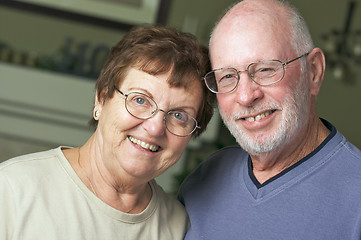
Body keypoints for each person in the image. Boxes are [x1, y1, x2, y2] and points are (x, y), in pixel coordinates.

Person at [0, 25, 215, 239]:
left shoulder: (179, 227)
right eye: (140, 100)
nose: (155, 127)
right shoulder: (12, 190)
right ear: (101, 99)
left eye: (179, 116)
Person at [178, 0, 361, 239]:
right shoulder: (205, 178)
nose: (245, 96)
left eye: (265, 69)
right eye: (227, 77)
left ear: (313, 72)